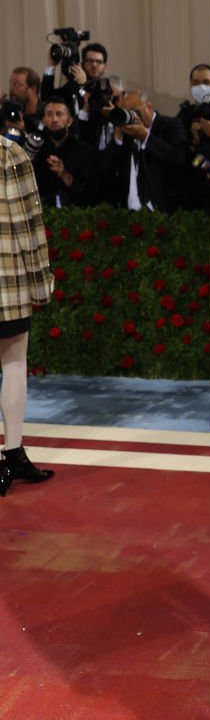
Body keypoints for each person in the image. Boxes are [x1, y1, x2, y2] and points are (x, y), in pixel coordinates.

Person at [0, 136, 55, 496]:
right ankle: (12, 454)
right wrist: (41, 283)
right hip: (5, 277)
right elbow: (27, 222)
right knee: (14, 363)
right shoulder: (8, 151)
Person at [99, 89, 187, 213]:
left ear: (149, 106)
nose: (132, 116)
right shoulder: (126, 133)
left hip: (162, 213)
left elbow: (178, 158)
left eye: (134, 111)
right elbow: (105, 169)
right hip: (127, 214)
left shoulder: (171, 125)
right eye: (126, 112)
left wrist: (145, 136)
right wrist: (117, 136)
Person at [31, 95, 100, 207]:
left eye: (59, 114)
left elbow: (91, 193)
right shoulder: (38, 152)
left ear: (69, 121)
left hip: (76, 217)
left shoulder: (85, 152)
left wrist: (64, 174)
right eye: (49, 114)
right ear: (44, 120)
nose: (54, 119)